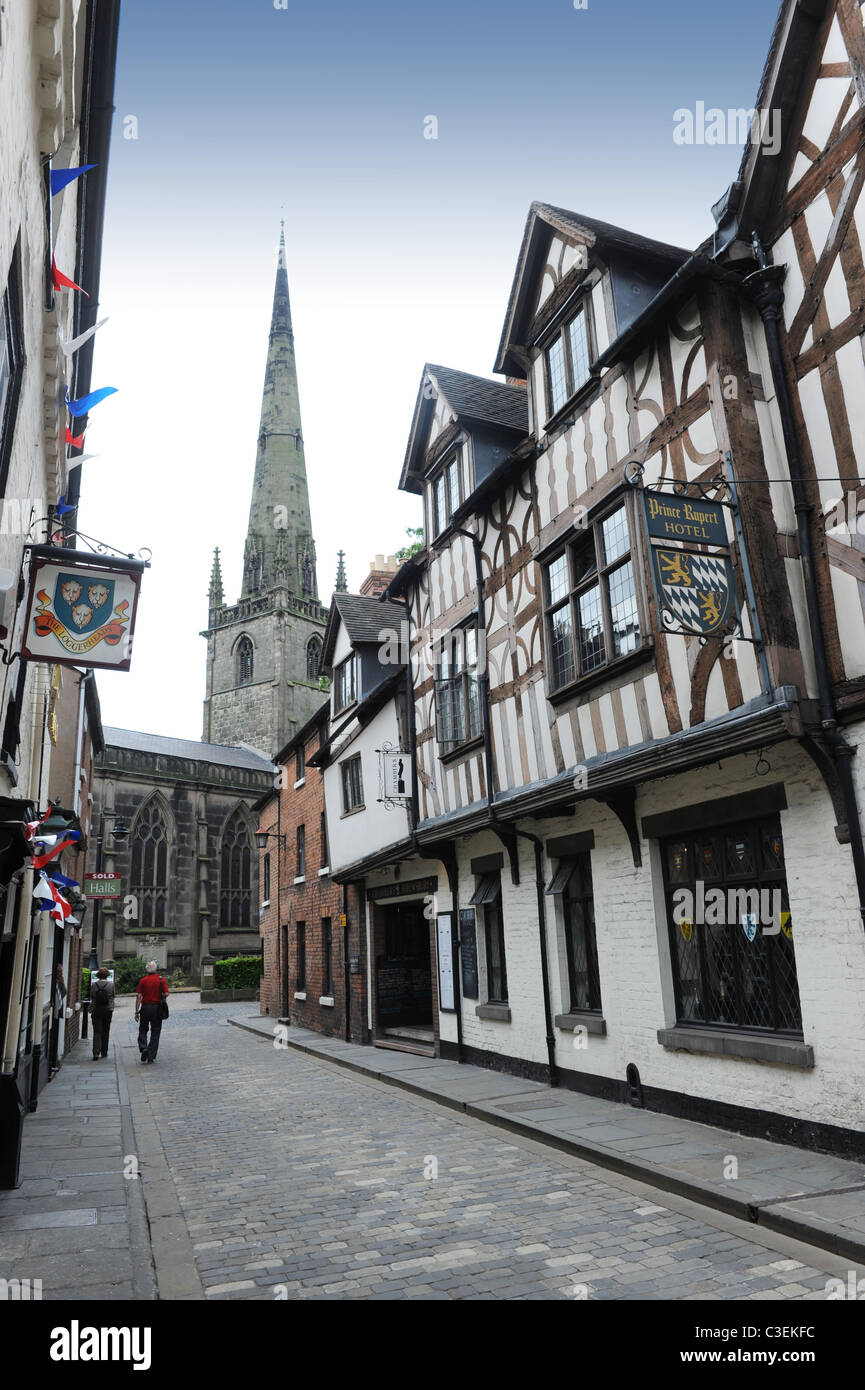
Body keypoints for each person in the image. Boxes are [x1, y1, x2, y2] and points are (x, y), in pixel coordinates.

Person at [135, 961, 169, 1063]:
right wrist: (161, 995)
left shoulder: (143, 980)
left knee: (143, 1029)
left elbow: (139, 997)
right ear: (156, 969)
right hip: (157, 1008)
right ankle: (151, 1055)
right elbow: (166, 993)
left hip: (145, 1007)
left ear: (147, 970)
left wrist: (136, 1011)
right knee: (155, 1031)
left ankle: (143, 1047)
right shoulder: (161, 979)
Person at [90, 967, 115, 1060]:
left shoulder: (94, 985)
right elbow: (112, 997)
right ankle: (104, 1052)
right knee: (105, 1031)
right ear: (107, 975)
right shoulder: (111, 985)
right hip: (107, 1010)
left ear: (98, 976)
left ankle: (96, 1052)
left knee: (97, 1032)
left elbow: (92, 997)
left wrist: (91, 1008)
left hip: (96, 1010)